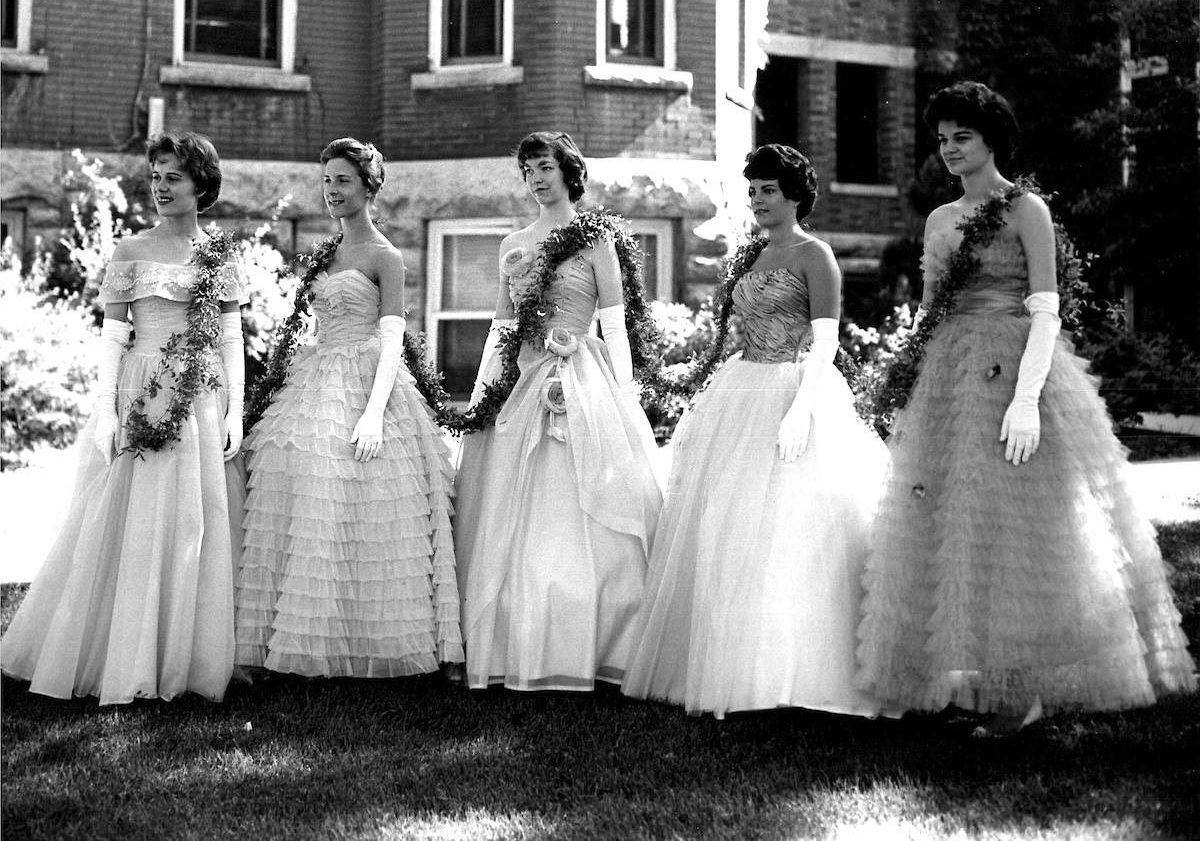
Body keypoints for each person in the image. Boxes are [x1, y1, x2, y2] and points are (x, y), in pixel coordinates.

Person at [855, 82, 1197, 735]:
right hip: (952, 376)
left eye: (963, 137)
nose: (950, 150)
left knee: (1018, 532)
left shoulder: (1025, 209)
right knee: (960, 525)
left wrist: (1026, 398)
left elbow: (1047, 308)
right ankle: (976, 685)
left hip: (1018, 363)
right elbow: (934, 312)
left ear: (992, 140)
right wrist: (909, 387)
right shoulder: (940, 220)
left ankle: (1023, 693)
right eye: (942, 139)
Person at [621, 144, 889, 719]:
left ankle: (799, 674)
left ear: (794, 195)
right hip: (741, 390)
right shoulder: (752, 255)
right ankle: (737, 668)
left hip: (797, 388)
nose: (758, 201)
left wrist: (801, 409)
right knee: (729, 525)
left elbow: (827, 341)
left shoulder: (816, 255)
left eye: (768, 190)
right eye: (753, 192)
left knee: (795, 531)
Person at [1, 132, 247, 705]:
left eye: (174, 178)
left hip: (200, 396)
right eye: (155, 177)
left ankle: (182, 658)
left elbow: (231, 336)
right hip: (140, 390)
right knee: (128, 522)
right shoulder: (130, 251)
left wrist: (236, 409)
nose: (161, 188)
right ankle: (118, 653)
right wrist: (104, 412)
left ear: (201, 185)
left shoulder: (219, 256)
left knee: (194, 522)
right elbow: (113, 335)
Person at [234, 138, 462, 678]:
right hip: (318, 371)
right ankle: (293, 634)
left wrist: (374, 412)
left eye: (343, 180)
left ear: (368, 186)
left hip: (368, 374)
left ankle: (374, 640)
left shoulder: (386, 256)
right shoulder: (325, 253)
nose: (333, 191)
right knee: (301, 481)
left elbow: (391, 339)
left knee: (371, 502)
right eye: (327, 181)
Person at [453, 131, 662, 691]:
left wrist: (623, 397)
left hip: (582, 375)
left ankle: (601, 640)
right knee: (510, 511)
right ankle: (515, 639)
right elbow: (500, 328)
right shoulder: (513, 243)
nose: (536, 179)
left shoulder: (595, 241)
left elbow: (615, 326)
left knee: (586, 509)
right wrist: (483, 394)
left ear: (568, 171)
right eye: (527, 171)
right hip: (521, 380)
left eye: (544, 167)